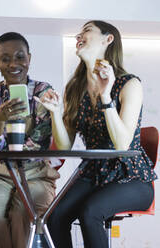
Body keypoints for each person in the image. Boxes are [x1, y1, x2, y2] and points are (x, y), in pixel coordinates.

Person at [38, 20, 157, 248]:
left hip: (131, 177)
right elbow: (65, 144)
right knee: (54, 218)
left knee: (90, 212)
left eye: (86, 31)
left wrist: (105, 95)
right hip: (94, 175)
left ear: (108, 39)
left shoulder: (129, 84)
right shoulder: (75, 88)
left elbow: (122, 144)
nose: (78, 36)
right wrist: (55, 114)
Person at [0, 32, 60, 248]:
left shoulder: (43, 92)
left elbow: (41, 142)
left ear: (29, 58)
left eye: (20, 57)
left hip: (36, 174)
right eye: (5, 58)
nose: (13, 64)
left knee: (24, 215)